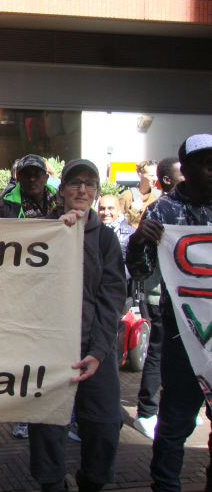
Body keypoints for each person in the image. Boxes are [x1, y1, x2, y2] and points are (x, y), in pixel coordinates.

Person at [29, 159, 126, 492]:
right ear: (63, 190)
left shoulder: (107, 240)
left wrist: (99, 352)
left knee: (104, 425)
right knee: (46, 425)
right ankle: (52, 482)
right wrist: (61, 234)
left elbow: (112, 300)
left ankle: (92, 480)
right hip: (49, 347)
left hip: (95, 349)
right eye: (74, 183)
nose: (82, 189)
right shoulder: (42, 231)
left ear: (97, 192)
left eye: (89, 184)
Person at [126, 134, 212, 492]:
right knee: (177, 419)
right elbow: (143, 273)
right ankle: (165, 485)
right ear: (186, 168)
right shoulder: (164, 210)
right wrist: (138, 241)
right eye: (205, 162)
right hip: (183, 336)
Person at [0, 154, 59, 439]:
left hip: (57, 287)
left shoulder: (62, 197)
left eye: (37, 174)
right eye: (26, 174)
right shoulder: (6, 202)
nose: (32, 179)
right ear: (18, 177)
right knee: (26, 355)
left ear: (46, 176)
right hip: (22, 290)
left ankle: (61, 411)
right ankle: (25, 416)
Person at [131, 156, 185, 440]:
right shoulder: (158, 211)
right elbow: (140, 265)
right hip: (160, 296)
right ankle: (147, 411)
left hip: (193, 303)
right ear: (166, 179)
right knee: (158, 351)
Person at [0, 154, 59, 220]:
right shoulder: (6, 209)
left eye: (37, 174)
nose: (32, 179)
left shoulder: (61, 200)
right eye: (27, 175)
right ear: (18, 179)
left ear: (46, 178)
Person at [119, 160, 161, 228]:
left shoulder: (158, 195)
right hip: (133, 236)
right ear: (140, 174)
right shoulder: (127, 195)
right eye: (151, 175)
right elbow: (119, 222)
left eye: (156, 175)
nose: (155, 179)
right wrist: (134, 210)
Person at [97, 194, 135, 267]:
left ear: (119, 210)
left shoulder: (131, 234)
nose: (106, 213)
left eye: (110, 208)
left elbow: (134, 265)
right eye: (102, 209)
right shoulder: (92, 231)